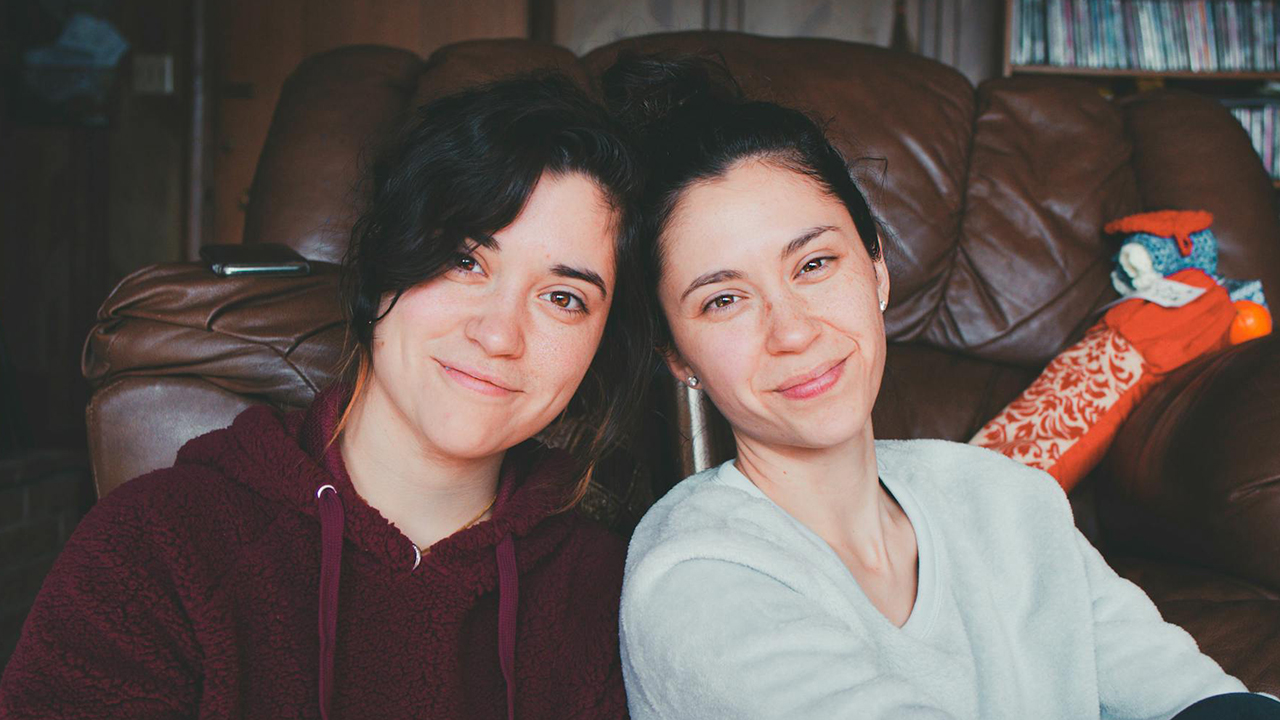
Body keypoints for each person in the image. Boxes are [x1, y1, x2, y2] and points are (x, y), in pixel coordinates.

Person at [604, 54, 1280, 720]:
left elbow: (1196, 696)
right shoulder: (695, 577)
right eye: (723, 300)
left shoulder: (1005, 497)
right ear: (678, 355)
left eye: (813, 263)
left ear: (876, 268)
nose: (793, 332)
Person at [0, 72, 648, 719]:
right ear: (382, 262)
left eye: (563, 297)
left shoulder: (614, 600)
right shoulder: (156, 543)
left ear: (600, 347)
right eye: (464, 260)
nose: (499, 334)